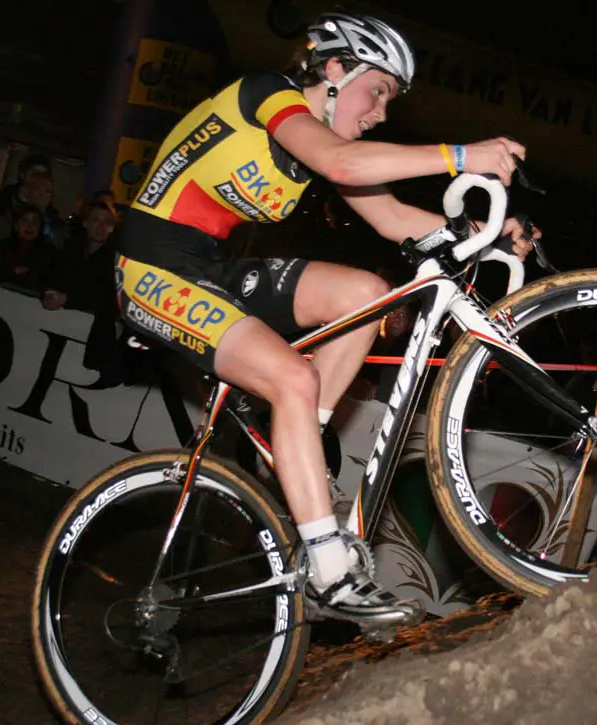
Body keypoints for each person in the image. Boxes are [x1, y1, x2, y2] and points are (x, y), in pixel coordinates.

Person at [115, 11, 539, 631]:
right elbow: (345, 163)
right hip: (149, 269)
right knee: (293, 376)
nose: (382, 113)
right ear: (335, 70)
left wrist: (488, 235)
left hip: (213, 269)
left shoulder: (320, 146)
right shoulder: (266, 95)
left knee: (368, 294)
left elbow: (394, 221)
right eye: (380, 92)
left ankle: (295, 445)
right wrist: (461, 156)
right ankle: (329, 571)